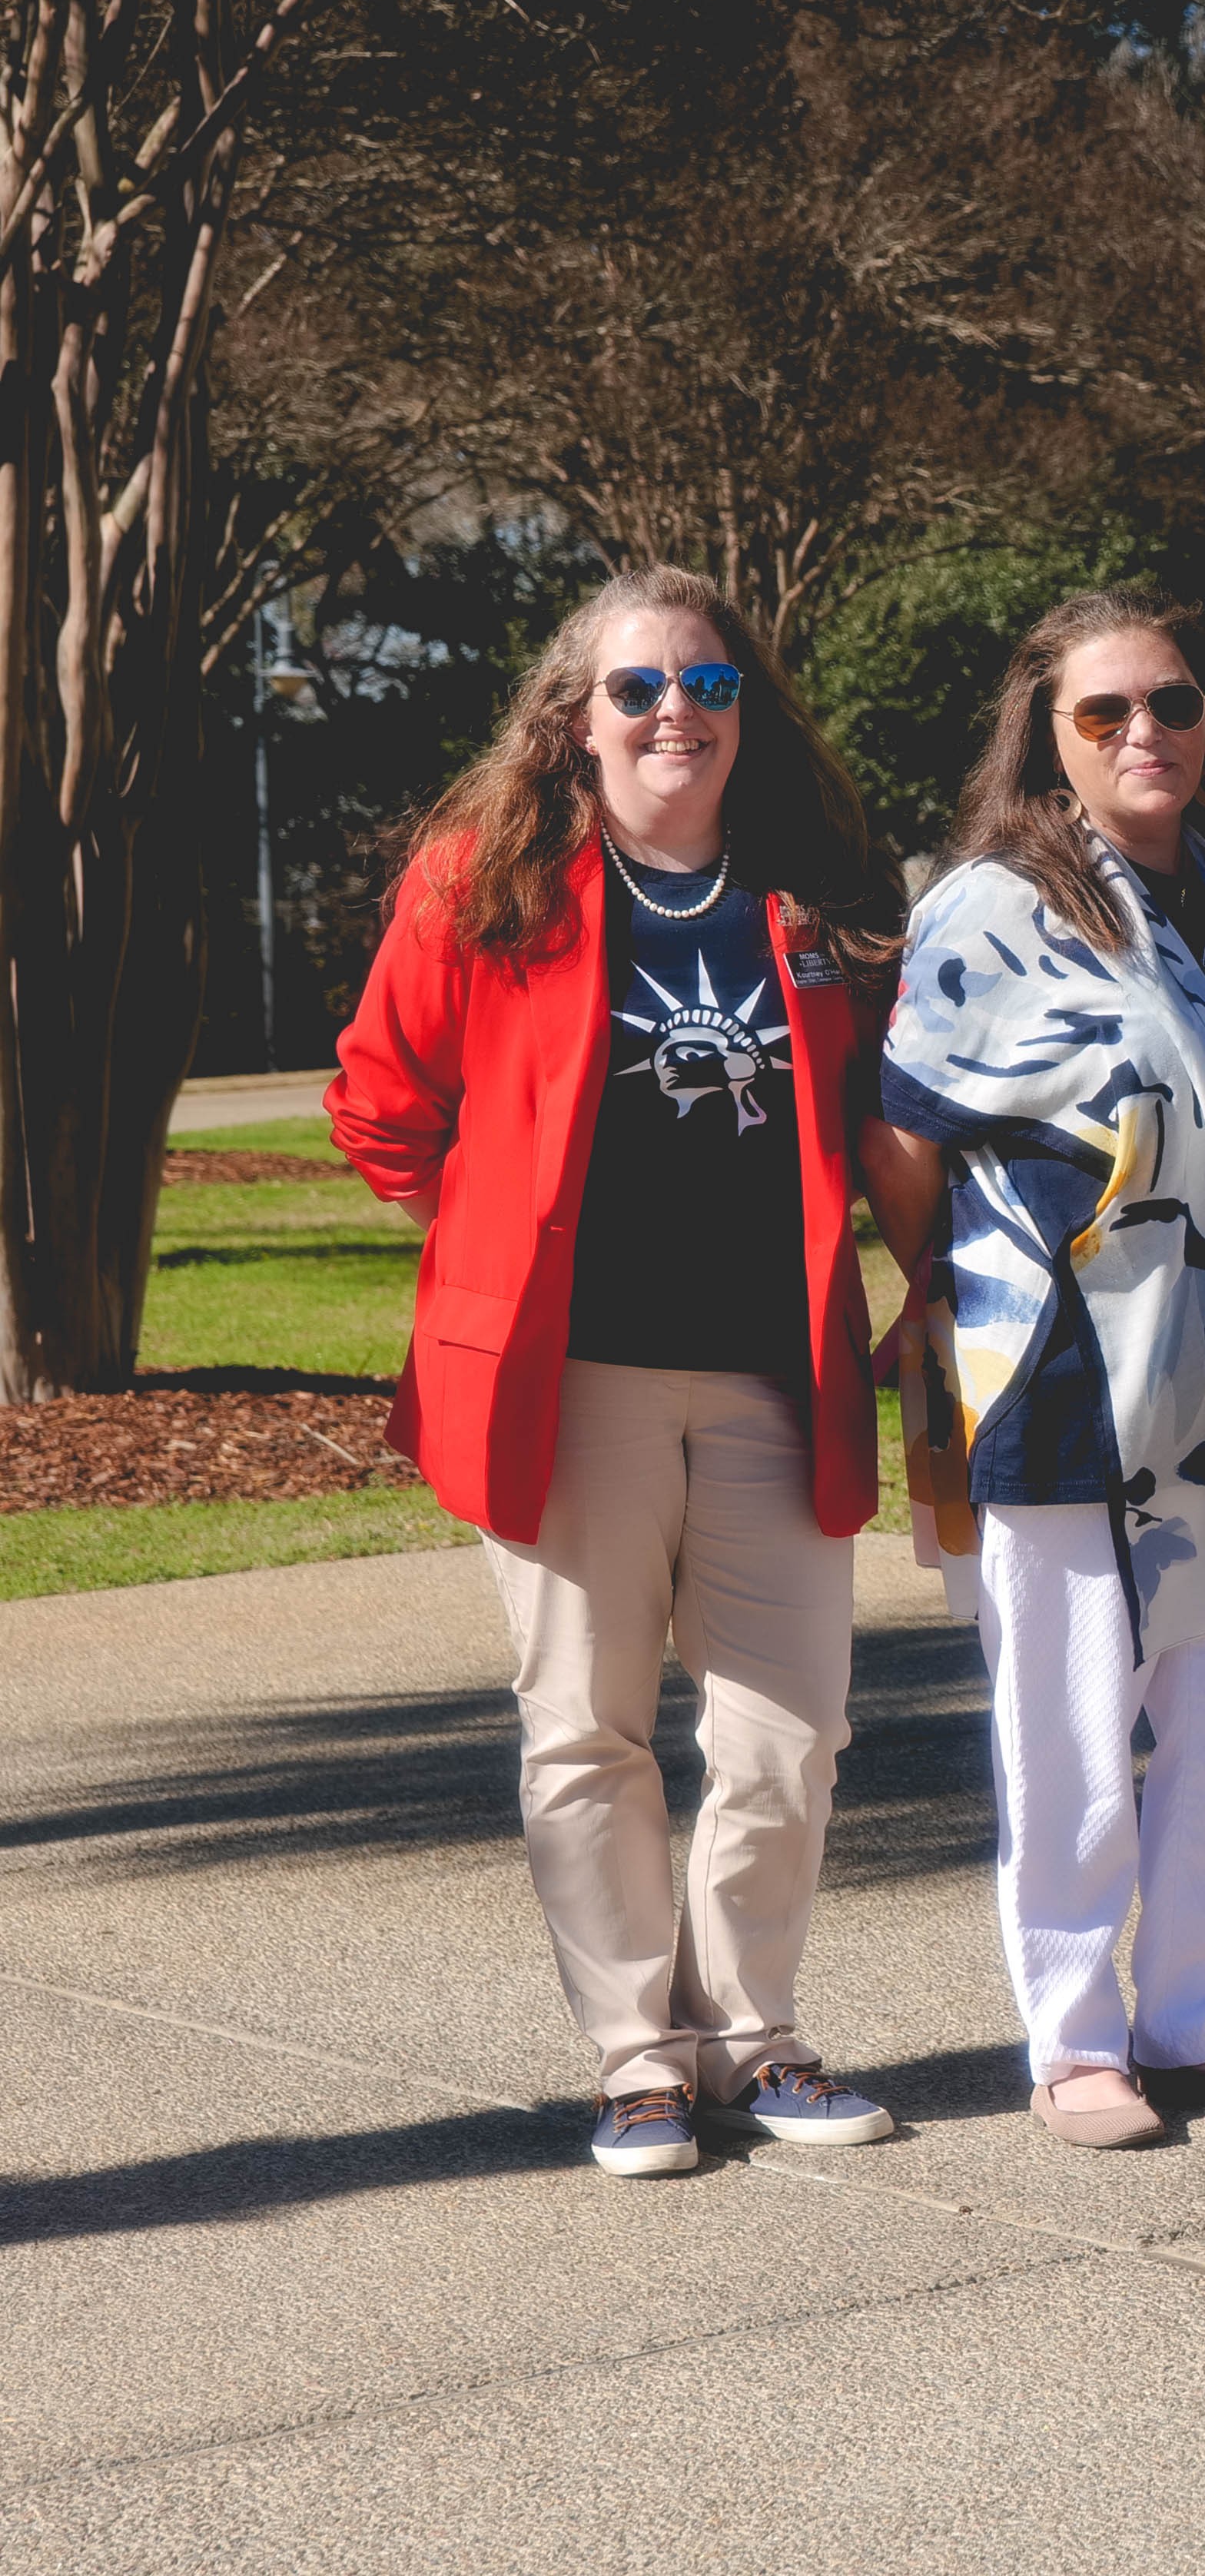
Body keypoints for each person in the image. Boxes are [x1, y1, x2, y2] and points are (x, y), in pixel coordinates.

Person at [328, 566, 909, 2178]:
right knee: (584, 1731)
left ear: (749, 717)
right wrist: (491, 1237)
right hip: (566, 1381)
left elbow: (893, 1122)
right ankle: (637, 2058)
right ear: (574, 718)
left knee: (789, 1731)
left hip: (774, 1378)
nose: (677, 715)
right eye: (641, 687)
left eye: (710, 689)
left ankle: (753, 2035)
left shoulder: (814, 898)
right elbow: (380, 1105)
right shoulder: (489, 884)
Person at [869, 589, 1205, 2149]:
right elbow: (906, 1132)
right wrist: (946, 1291)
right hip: (1066, 1370)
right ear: (1050, 738)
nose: (1148, 732)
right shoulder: (991, 906)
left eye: (1176, 704)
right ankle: (1076, 2042)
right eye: (1106, 712)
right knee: (1073, 1723)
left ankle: (1196, 2015)